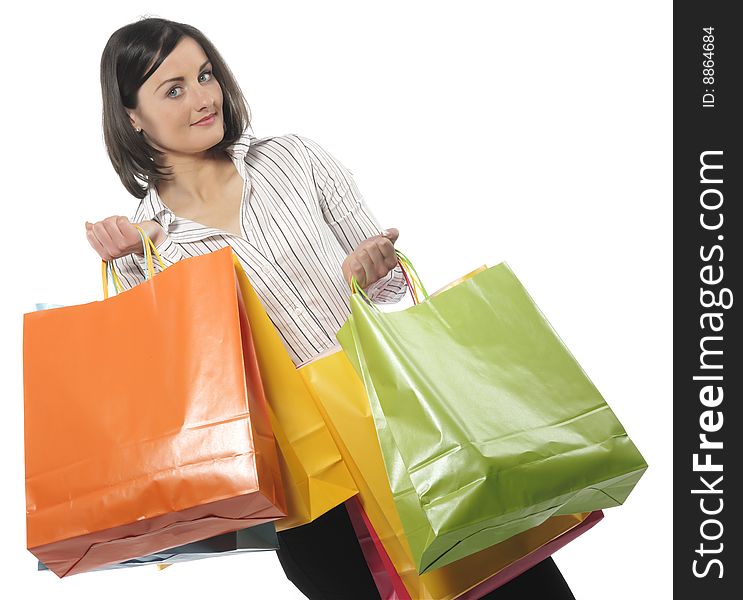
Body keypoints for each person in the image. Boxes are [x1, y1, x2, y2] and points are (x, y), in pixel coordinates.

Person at [85, 16, 575, 600]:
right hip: (307, 492)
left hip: (404, 439)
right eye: (174, 88)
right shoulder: (144, 244)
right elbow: (185, 394)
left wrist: (370, 270)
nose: (203, 98)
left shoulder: (294, 159)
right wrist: (127, 263)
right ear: (132, 116)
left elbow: (394, 290)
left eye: (206, 76)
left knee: (515, 585)